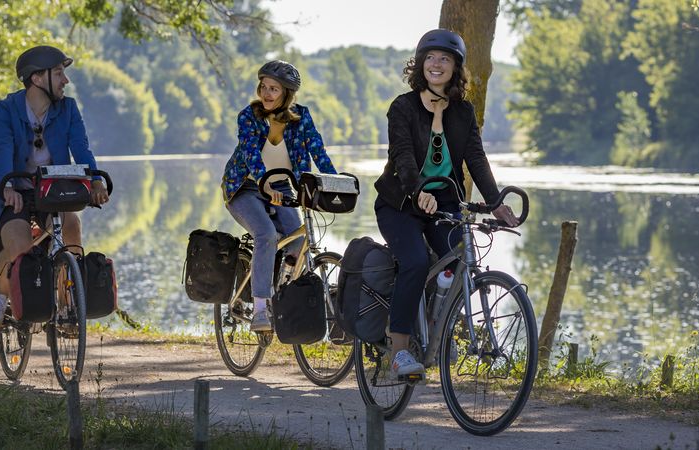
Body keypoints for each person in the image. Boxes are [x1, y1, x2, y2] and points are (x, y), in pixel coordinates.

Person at [374, 30, 520, 379]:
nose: (436, 64)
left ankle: (436, 330)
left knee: (458, 262)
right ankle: (398, 352)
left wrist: (496, 202)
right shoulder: (403, 107)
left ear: (456, 68)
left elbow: (476, 159)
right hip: (401, 202)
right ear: (420, 64)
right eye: (430, 58)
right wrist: (418, 189)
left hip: (445, 203)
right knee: (415, 261)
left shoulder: (463, 112)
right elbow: (403, 156)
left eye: (445, 59)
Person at [0, 45, 110, 329]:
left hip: (53, 190)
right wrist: (7, 187)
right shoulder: (6, 109)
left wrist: (95, 181)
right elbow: (0, 151)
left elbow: (81, 148)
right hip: (14, 191)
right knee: (21, 248)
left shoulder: (68, 109)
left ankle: (69, 304)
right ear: (37, 78)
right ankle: (2, 294)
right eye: (59, 73)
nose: (66, 80)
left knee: (72, 226)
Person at [222, 60, 338, 331]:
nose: (267, 94)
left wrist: (335, 180)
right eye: (264, 87)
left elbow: (317, 151)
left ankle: (281, 286)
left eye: (274, 89)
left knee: (298, 240)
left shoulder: (302, 117)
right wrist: (264, 182)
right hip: (245, 187)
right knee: (265, 234)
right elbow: (251, 155)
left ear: (287, 93)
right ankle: (261, 308)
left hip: (284, 188)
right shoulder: (248, 116)